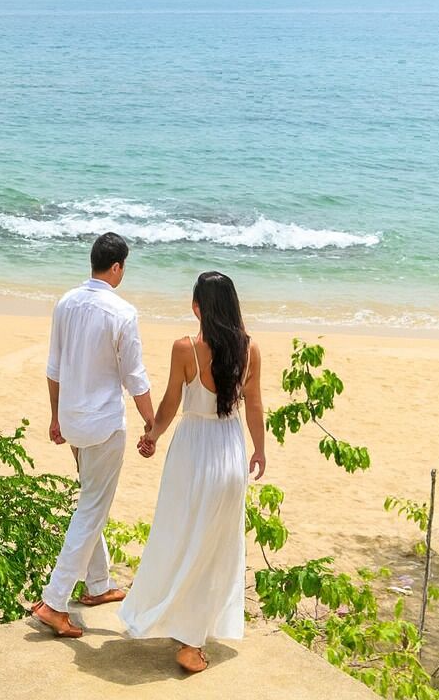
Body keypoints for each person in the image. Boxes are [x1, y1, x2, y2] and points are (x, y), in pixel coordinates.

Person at [118, 271, 266, 674]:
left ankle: (187, 638)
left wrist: (152, 435)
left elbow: (169, 403)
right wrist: (260, 449)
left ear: (198, 306)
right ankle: (192, 635)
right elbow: (254, 405)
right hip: (229, 451)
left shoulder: (185, 348)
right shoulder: (250, 350)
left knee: (181, 534)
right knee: (217, 545)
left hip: (192, 452)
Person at [29, 232, 155, 639]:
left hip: (72, 420)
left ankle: (98, 585)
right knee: (92, 509)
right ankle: (54, 600)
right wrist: (152, 425)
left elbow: (54, 367)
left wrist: (55, 418)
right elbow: (135, 378)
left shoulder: (66, 302)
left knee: (91, 500)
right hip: (103, 425)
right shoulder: (122, 312)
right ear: (116, 267)